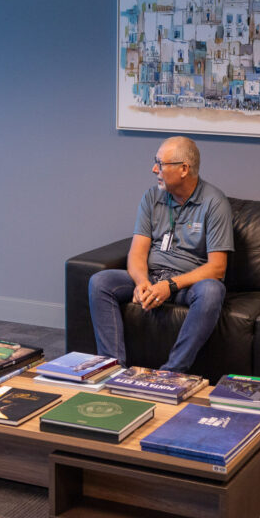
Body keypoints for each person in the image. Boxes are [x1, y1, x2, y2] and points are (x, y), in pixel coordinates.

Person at [88, 137, 233, 372]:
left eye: (161, 163)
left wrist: (170, 286)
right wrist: (142, 282)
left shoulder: (214, 203)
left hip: (186, 284)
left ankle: (172, 372)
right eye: (155, 162)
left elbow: (217, 268)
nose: (154, 169)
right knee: (100, 281)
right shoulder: (151, 197)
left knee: (212, 291)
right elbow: (137, 252)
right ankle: (111, 369)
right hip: (153, 276)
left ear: (184, 169)